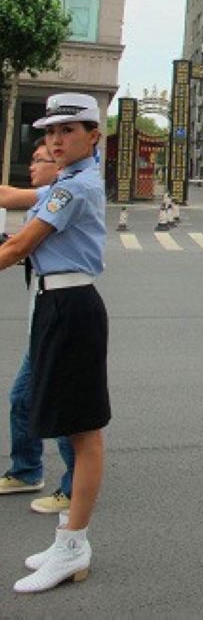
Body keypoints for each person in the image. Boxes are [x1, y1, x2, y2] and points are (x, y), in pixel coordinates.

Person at [0, 93, 109, 594]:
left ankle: (74, 545)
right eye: (49, 133)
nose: (55, 140)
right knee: (67, 421)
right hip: (56, 306)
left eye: (68, 131)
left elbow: (21, 245)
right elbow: (14, 200)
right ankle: (66, 539)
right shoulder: (63, 183)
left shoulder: (75, 188)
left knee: (83, 433)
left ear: (94, 136)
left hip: (71, 309)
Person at [0, 142, 75, 514]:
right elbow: (8, 196)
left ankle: (75, 487)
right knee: (23, 399)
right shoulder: (44, 200)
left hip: (62, 317)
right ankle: (27, 470)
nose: (31, 166)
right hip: (42, 317)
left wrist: (11, 248)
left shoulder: (67, 194)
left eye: (38, 160)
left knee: (60, 408)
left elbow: (17, 249)